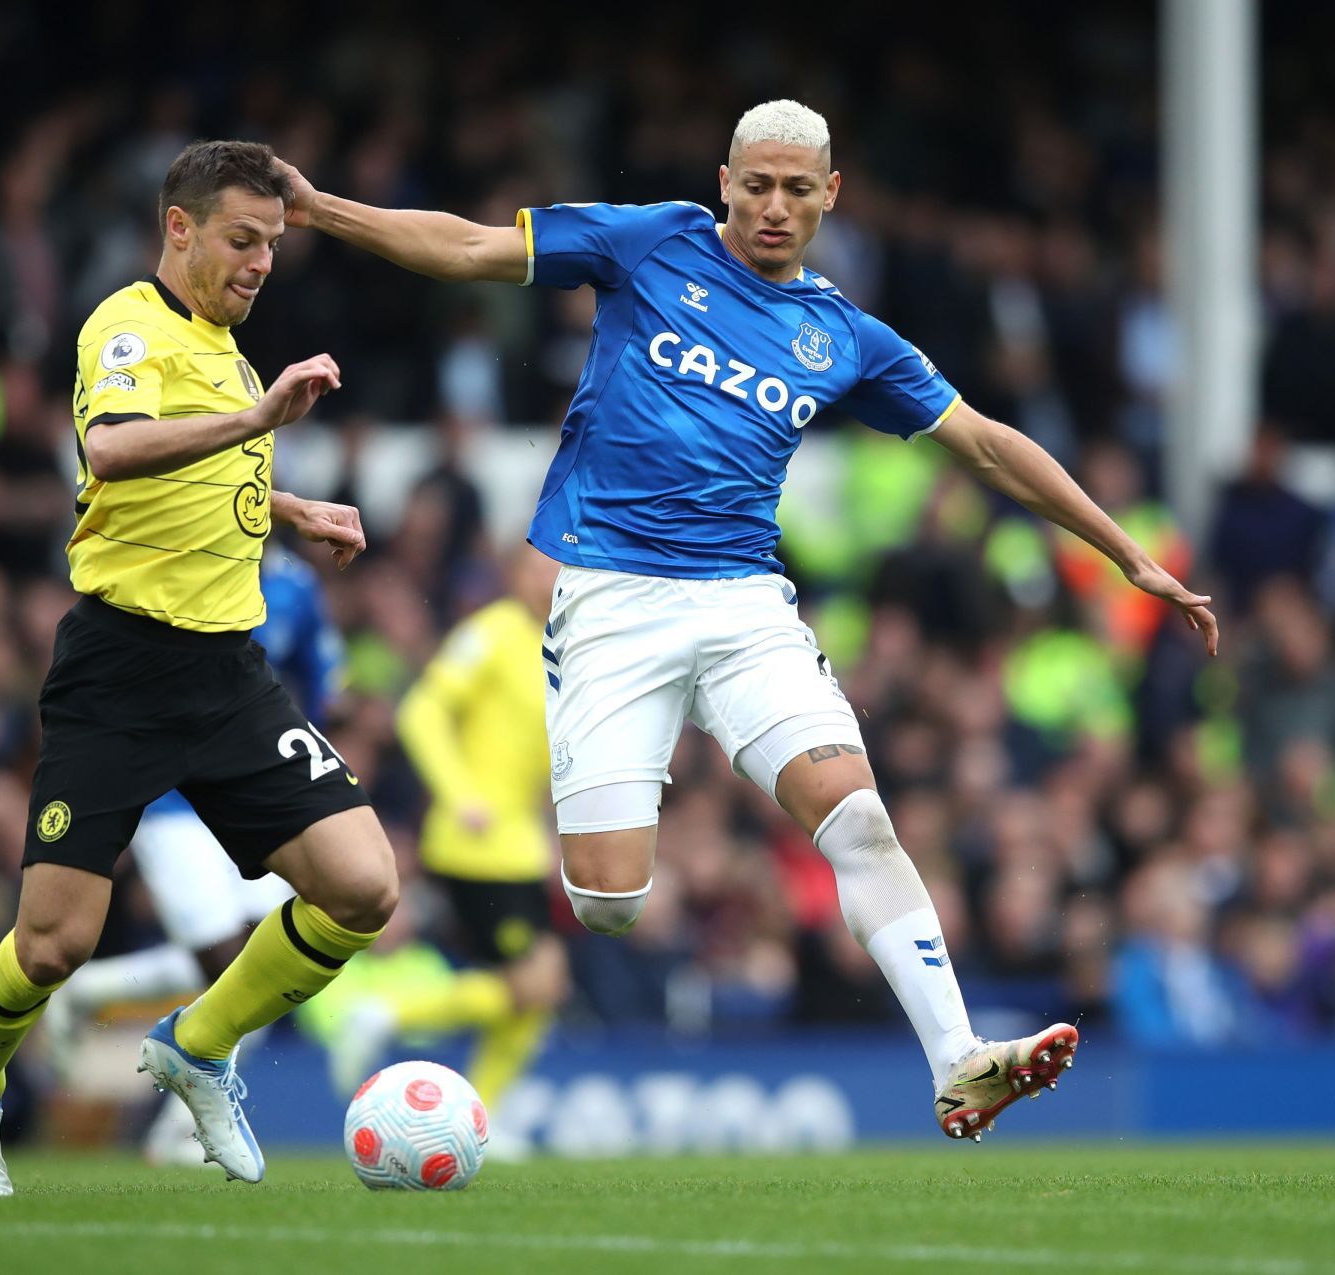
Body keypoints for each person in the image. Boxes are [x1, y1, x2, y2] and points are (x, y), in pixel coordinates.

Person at [279, 100, 1219, 1142]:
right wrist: (322, 210)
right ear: (725, 181)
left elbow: (989, 444)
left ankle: (958, 1060)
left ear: (832, 196)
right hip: (609, 600)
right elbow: (466, 247)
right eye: (757, 185)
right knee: (609, 902)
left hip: (742, 604)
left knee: (858, 817)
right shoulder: (649, 242)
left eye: (798, 189)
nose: (775, 207)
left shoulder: (845, 336)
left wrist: (1126, 552)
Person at [0, 140, 397, 1197]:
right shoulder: (129, 324)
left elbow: (202, 477)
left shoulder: (229, 351)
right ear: (179, 228)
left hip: (229, 674)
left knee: (364, 887)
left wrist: (288, 511)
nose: (261, 263)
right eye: (243, 240)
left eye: (274, 246)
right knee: (51, 948)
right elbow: (113, 451)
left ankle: (198, 1045)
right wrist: (260, 418)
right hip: (120, 668)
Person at [48, 541, 344, 1165]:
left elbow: (316, 686)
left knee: (267, 960)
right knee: (227, 962)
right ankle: (184, 1122)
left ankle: (93, 1000)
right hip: (172, 799)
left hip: (255, 788)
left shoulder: (295, 587)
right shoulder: (177, 566)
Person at [330, 545, 566, 1112]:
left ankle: (483, 1115)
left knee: (542, 990)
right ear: (515, 575)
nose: (551, 578)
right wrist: (462, 796)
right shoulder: (490, 633)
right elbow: (421, 712)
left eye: (560, 568)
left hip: (519, 845)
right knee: (538, 983)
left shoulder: (558, 644)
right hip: (477, 845)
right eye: (539, 566)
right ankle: (387, 1014)